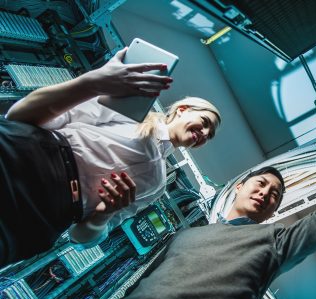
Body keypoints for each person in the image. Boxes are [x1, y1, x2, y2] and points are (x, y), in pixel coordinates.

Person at [103, 108, 316, 299]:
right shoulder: (185, 235)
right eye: (261, 183)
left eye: (274, 195)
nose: (266, 193)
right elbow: (137, 285)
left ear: (273, 211)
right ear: (238, 186)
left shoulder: (274, 241)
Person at [0, 47, 222, 266]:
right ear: (182, 109)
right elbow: (19, 116)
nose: (203, 133)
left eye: (209, 136)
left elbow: (80, 239)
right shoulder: (129, 112)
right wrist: (93, 83)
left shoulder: (158, 184)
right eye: (204, 123)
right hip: (23, 159)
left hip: (43, 216)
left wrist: (103, 215)